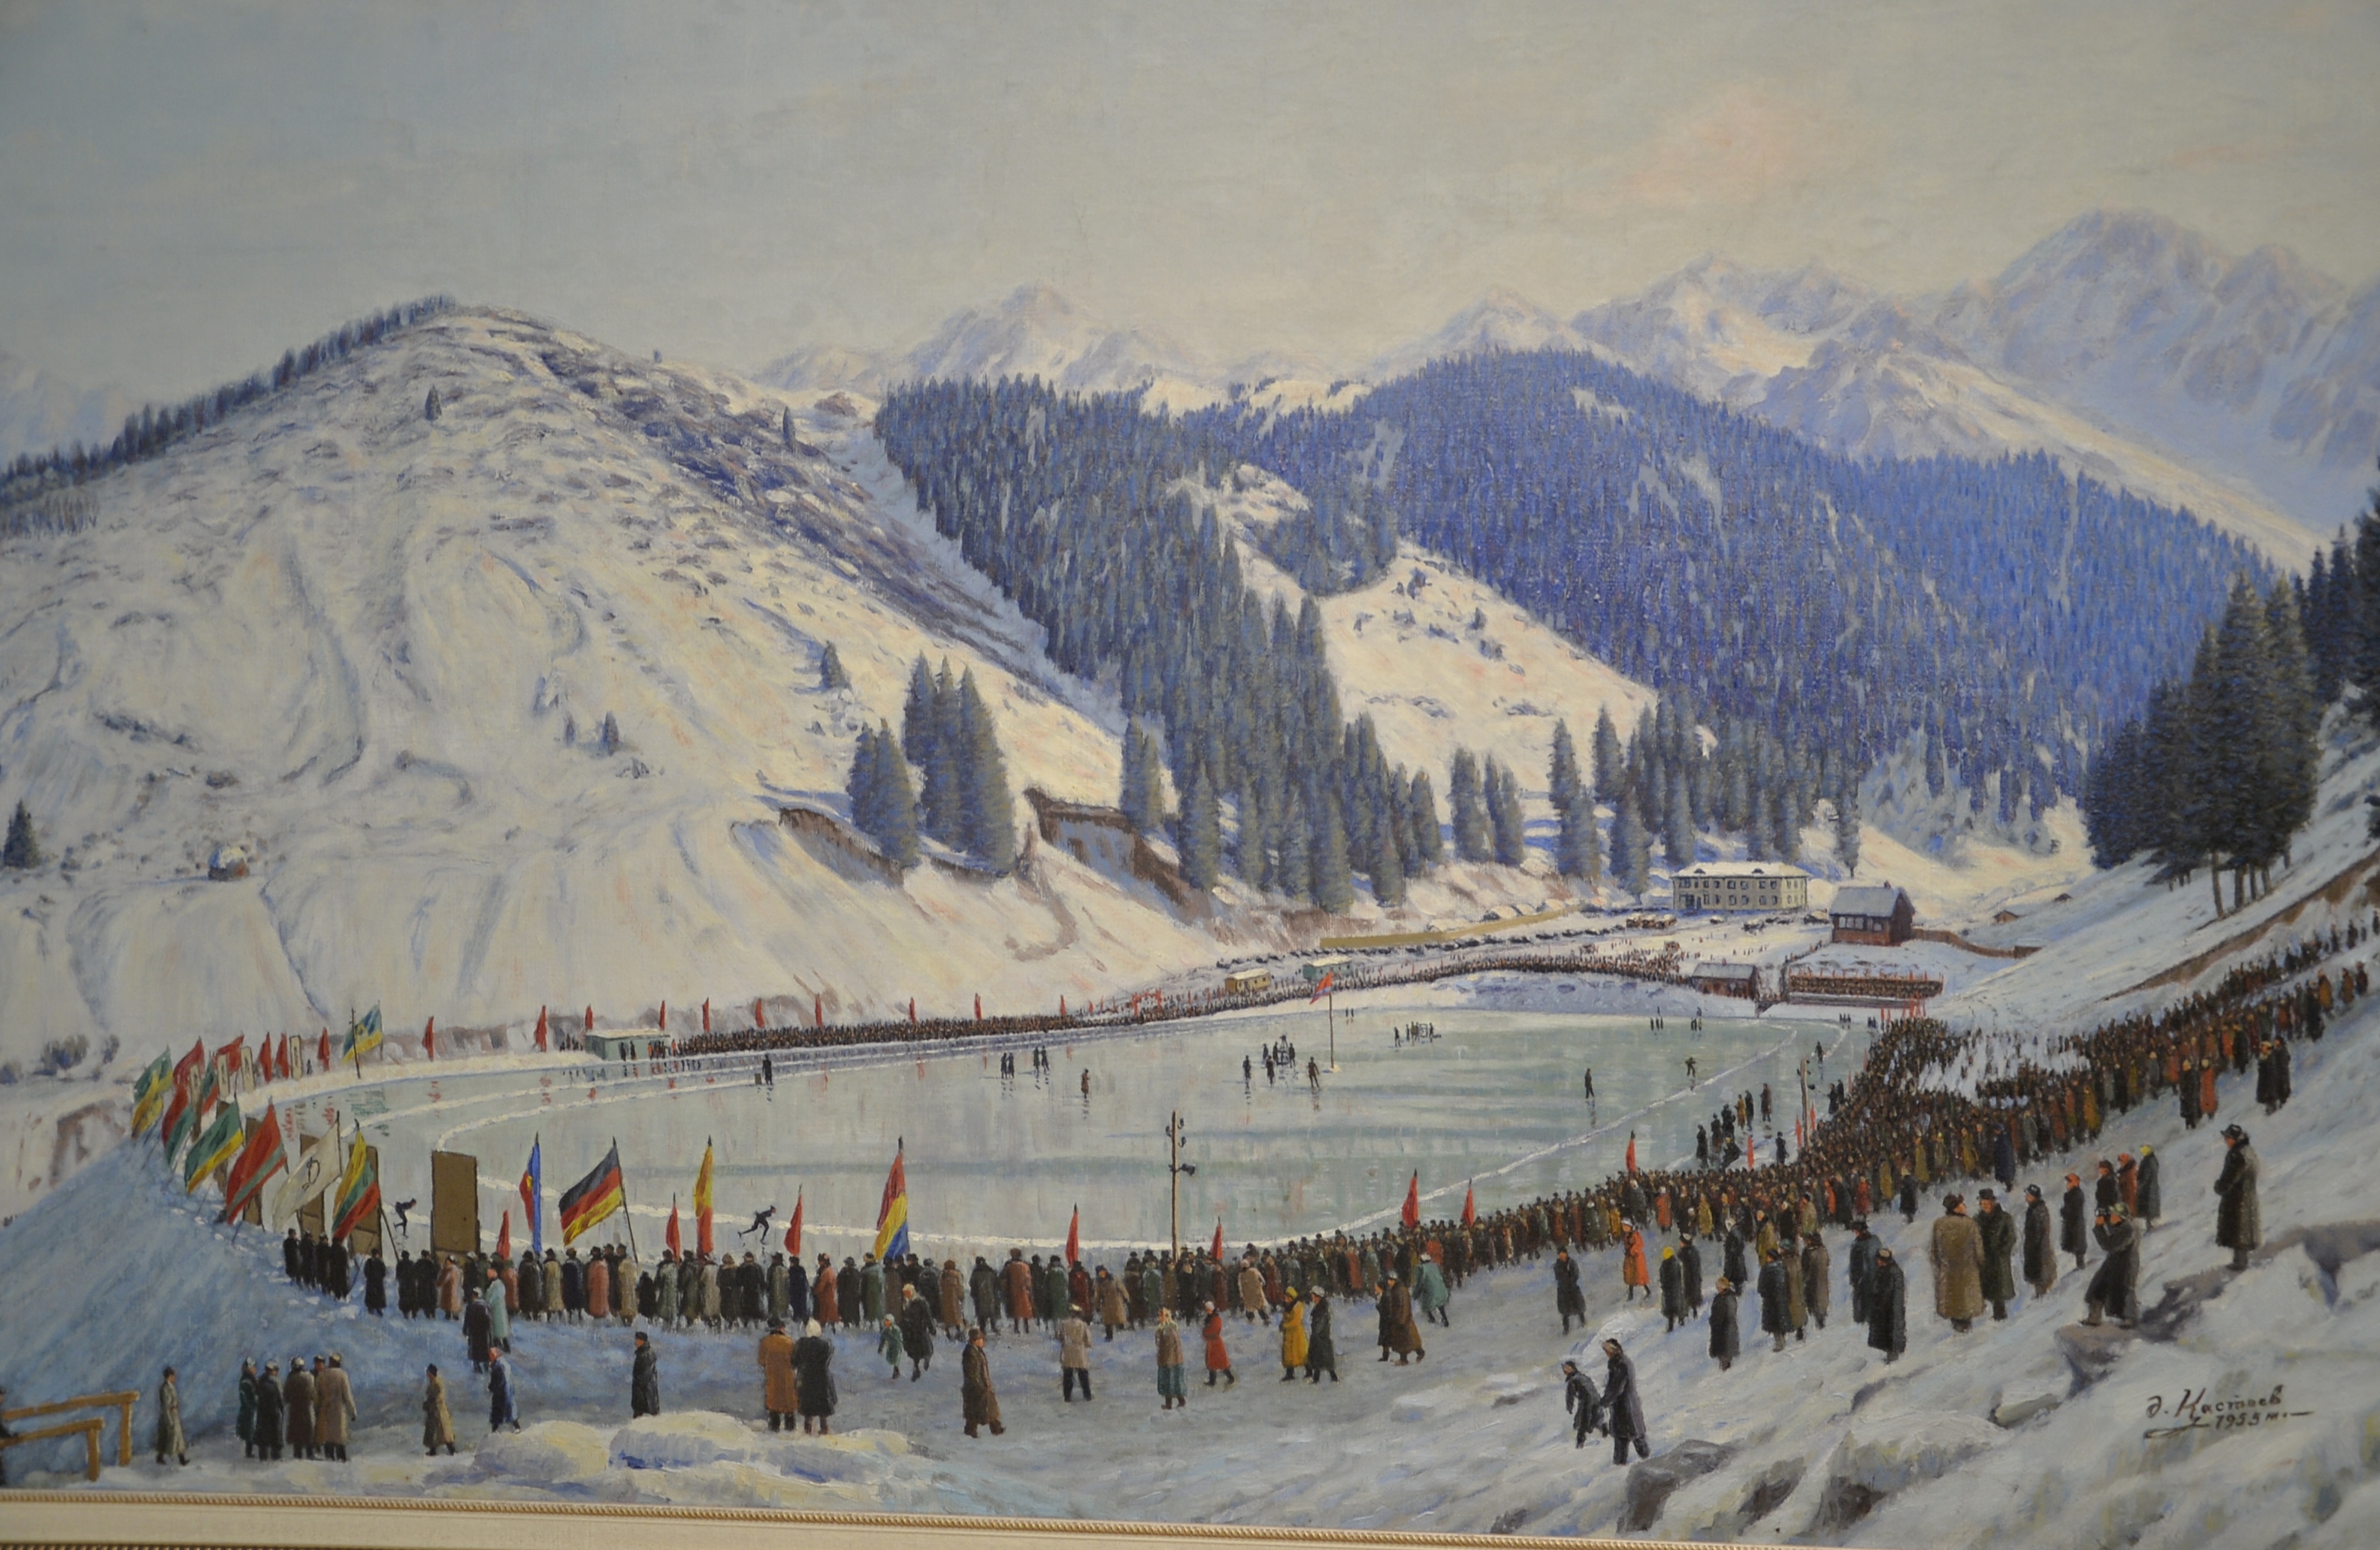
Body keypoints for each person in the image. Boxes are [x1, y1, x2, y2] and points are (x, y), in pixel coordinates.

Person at [1932, 1194, 1985, 1333]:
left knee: (1953, 1301)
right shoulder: (1970, 1224)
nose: (1964, 1206)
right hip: (1968, 1270)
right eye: (1961, 1204)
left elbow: (1935, 1251)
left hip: (1949, 1271)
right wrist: (1981, 1262)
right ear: (1955, 1207)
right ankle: (1966, 1328)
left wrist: (1940, 1266)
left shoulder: (1939, 1224)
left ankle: (1956, 1326)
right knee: (1966, 1301)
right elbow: (1978, 1248)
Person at [2083, 1206, 2140, 1327]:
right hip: (2114, 1263)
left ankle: (2130, 1319)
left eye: (2114, 1215)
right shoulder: (2122, 1226)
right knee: (2098, 1287)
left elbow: (2110, 1245)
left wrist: (2099, 1228)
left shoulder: (2128, 1229)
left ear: (2121, 1217)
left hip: (2125, 1266)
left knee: (2125, 1291)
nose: (2111, 1217)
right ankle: (2094, 1317)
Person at [2215, 1123, 2261, 1271]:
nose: (2225, 1141)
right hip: (2247, 1197)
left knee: (2238, 1230)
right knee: (2243, 1230)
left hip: (2237, 1198)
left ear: (2234, 1139)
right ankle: (2240, 1260)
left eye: (2227, 1138)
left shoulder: (2237, 1155)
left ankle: (2240, 1263)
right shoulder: (2248, 1151)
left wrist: (2219, 1186)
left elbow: (2230, 1177)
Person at [1601, 1339, 1649, 1464]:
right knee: (1633, 1438)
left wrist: (1604, 1401)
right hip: (1626, 1407)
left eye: (1608, 1350)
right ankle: (1622, 1467)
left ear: (1614, 1350)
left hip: (1626, 1408)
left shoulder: (1621, 1364)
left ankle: (1644, 1462)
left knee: (1629, 1439)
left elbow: (1617, 1388)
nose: (1607, 1353)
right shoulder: (1620, 1363)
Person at [1976, 1189, 2018, 1321]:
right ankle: (1993, 1315)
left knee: (1999, 1290)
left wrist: (2003, 1252)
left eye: (1986, 1203)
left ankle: (2001, 1316)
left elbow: (2011, 1237)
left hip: (1999, 1260)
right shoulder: (1977, 1219)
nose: (1984, 1206)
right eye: (1982, 1203)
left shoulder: (2004, 1218)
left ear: (1993, 1202)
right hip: (1985, 1260)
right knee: (1988, 1289)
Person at [794, 1319, 837, 1435]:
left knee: (808, 1405)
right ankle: (824, 1429)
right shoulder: (826, 1344)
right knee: (822, 1404)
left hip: (806, 1377)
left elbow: (795, 1361)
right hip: (822, 1377)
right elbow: (828, 1359)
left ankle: (807, 1429)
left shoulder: (801, 1345)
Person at [1866, 1245, 1908, 1363]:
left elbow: (1895, 1293)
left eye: (1879, 1260)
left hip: (1891, 1308)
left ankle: (1893, 1354)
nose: (1877, 1262)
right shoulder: (1882, 1271)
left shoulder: (1894, 1272)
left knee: (1892, 1331)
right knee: (1885, 1332)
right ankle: (1889, 1353)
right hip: (1883, 1308)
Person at [961, 1327, 1004, 1438]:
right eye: (981, 1339)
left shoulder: (977, 1351)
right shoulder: (971, 1354)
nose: (983, 1342)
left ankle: (994, 1428)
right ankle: (992, 1428)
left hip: (980, 1386)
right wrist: (980, 1386)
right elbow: (973, 1373)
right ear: (976, 1340)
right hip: (976, 1388)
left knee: (984, 1409)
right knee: (981, 1410)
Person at [315, 1355, 355, 1462]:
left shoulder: (322, 1374)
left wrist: (317, 1410)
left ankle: (329, 1457)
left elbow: (317, 1395)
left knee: (328, 1437)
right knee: (339, 1436)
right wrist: (352, 1412)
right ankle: (341, 1458)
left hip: (325, 1410)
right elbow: (347, 1396)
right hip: (338, 1410)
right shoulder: (342, 1375)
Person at [2021, 1185, 2057, 1299]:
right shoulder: (2033, 1209)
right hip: (2034, 1245)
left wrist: (2033, 1243)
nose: (2027, 1197)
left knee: (2040, 1271)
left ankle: (2041, 1294)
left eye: (2029, 1195)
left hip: (2039, 1247)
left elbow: (2040, 1230)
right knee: (2036, 1271)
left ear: (2034, 1196)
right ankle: (2039, 1292)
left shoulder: (2039, 1210)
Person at [1561, 1359, 1603, 1448]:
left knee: (1582, 1422)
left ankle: (1580, 1443)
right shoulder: (1582, 1377)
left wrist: (1569, 1407)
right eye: (1564, 1368)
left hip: (1587, 1401)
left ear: (1572, 1368)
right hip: (1596, 1400)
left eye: (1566, 1368)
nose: (1565, 1370)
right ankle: (1604, 1435)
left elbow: (1570, 1396)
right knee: (1595, 1420)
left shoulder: (1573, 1380)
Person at [899, 1285, 937, 1380]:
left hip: (921, 1330)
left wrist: (932, 1329)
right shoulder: (906, 1302)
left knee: (926, 1349)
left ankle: (926, 1360)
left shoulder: (921, 1302)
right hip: (910, 1332)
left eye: (908, 1293)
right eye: (905, 1293)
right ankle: (916, 1370)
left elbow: (928, 1316)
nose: (906, 1295)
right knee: (914, 1353)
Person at [1757, 1248, 1792, 1352]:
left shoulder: (1765, 1270)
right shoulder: (1782, 1267)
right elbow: (1787, 1283)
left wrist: (1765, 1294)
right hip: (1781, 1298)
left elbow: (1761, 1287)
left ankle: (1779, 1343)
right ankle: (1782, 1338)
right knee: (1781, 1318)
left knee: (1774, 1322)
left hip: (1770, 1301)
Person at [285, 1354, 317, 1461]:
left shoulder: (290, 1379)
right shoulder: (310, 1377)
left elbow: (286, 1396)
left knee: (297, 1436)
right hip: (307, 1409)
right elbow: (313, 1395)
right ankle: (310, 1455)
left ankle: (298, 1457)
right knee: (308, 1434)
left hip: (295, 1411)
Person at [1155, 1307, 1189, 1410]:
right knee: (1173, 1382)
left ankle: (1172, 1403)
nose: (1159, 1318)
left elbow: (1170, 1348)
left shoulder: (1168, 1330)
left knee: (1170, 1382)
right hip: (1170, 1360)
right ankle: (1178, 1401)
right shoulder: (1165, 1329)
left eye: (1161, 1316)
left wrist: (1168, 1360)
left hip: (1170, 1361)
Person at [154, 1366, 188, 1467]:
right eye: (173, 1376)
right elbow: (166, 1406)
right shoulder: (165, 1388)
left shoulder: (171, 1387)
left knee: (177, 1438)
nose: (175, 1378)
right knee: (167, 1437)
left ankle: (182, 1459)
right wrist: (169, 1420)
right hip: (168, 1416)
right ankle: (160, 1457)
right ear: (169, 1376)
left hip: (174, 1415)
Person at [1059, 1304, 1094, 1400]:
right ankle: (1087, 1396)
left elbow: (1060, 1336)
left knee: (1067, 1376)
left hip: (1068, 1352)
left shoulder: (1064, 1324)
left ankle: (1067, 1397)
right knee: (1083, 1376)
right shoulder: (1083, 1325)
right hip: (1080, 1352)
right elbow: (1088, 1341)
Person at [1304, 1289, 1339, 1383]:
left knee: (1324, 1358)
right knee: (1318, 1359)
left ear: (1319, 1297)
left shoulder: (1323, 1309)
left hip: (1322, 1338)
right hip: (1318, 1338)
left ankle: (1333, 1377)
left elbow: (1322, 1323)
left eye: (1314, 1297)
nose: (1313, 1299)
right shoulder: (1318, 1308)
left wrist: (1317, 1331)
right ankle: (1317, 1378)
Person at [1847, 1219, 1878, 1324]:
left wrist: (1857, 1279)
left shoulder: (1863, 1244)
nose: (1855, 1233)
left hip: (1867, 1279)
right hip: (1865, 1279)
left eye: (1856, 1231)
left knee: (1866, 1303)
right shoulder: (1870, 1241)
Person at [421, 1365, 456, 1457]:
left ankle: (452, 1450)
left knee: (443, 1432)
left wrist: (429, 1404)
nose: (427, 1375)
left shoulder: (437, 1383)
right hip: (433, 1411)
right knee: (434, 1432)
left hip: (438, 1411)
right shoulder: (432, 1383)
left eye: (428, 1373)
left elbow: (438, 1398)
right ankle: (433, 1451)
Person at [252, 1363, 285, 1461]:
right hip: (273, 1412)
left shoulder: (260, 1382)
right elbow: (280, 1398)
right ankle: (276, 1456)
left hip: (263, 1412)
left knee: (264, 1436)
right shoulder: (276, 1383)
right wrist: (282, 1409)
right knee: (275, 1435)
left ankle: (263, 1456)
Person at [1708, 1276, 1741, 1371]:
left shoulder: (1727, 1298)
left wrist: (1716, 1321)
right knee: (1723, 1351)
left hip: (1725, 1329)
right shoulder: (1722, 1297)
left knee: (1725, 1351)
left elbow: (1727, 1314)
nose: (1718, 1288)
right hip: (1722, 1329)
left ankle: (1726, 1369)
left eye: (1719, 1286)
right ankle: (1724, 1367)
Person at [1801, 1232, 1832, 1331]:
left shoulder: (1809, 1253)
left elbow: (1805, 1269)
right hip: (1822, 1281)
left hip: (1812, 1282)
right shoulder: (1823, 1251)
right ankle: (1821, 1319)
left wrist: (1805, 1279)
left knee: (1814, 1300)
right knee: (1820, 1300)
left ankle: (1819, 1321)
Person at [1552, 1249, 1586, 1333]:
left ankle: (1583, 1322)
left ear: (1566, 1254)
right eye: (1560, 1255)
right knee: (1565, 1311)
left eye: (1563, 1255)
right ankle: (1566, 1329)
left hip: (1573, 1289)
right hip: (1563, 1291)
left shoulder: (1571, 1263)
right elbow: (1558, 1277)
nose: (1562, 1257)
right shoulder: (1557, 1265)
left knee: (1578, 1307)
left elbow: (1575, 1274)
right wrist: (1564, 1283)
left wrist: (1570, 1282)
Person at [1203, 1301, 1236, 1386]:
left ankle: (1230, 1378)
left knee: (1222, 1363)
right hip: (1212, 1343)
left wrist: (1206, 1332)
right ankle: (1212, 1381)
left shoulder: (1217, 1319)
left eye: (1208, 1310)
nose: (1207, 1311)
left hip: (1217, 1344)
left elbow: (1214, 1330)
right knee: (1212, 1364)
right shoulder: (1210, 1319)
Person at [2062, 1174, 2090, 1271]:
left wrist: (2064, 1212)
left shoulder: (2077, 1194)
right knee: (2074, 1244)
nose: (2067, 1184)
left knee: (2078, 1245)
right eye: (2068, 1182)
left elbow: (2073, 1210)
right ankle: (2079, 1265)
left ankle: (2081, 1266)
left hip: (2076, 1223)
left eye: (2070, 1182)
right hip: (2071, 1223)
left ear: (2076, 1183)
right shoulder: (2068, 1195)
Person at [487, 1348, 518, 1433]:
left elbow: (495, 1381)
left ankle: (494, 1430)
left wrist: (491, 1388)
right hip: (508, 1390)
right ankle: (517, 1427)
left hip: (500, 1392)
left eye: (491, 1356)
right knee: (510, 1409)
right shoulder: (505, 1364)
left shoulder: (496, 1367)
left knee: (497, 1411)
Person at [463, 1287, 492, 1374]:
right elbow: (490, 1320)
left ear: (474, 1296)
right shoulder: (486, 1306)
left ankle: (477, 1367)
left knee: (475, 1351)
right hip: (484, 1333)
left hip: (474, 1333)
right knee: (485, 1349)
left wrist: (465, 1331)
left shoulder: (470, 1306)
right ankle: (486, 1366)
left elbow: (467, 1320)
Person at [632, 1331, 661, 1418]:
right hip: (642, 1389)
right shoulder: (642, 1352)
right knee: (639, 1413)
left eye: (637, 1340)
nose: (636, 1342)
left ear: (642, 1341)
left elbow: (646, 1374)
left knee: (651, 1413)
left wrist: (638, 1382)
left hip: (646, 1389)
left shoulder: (648, 1354)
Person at [1658, 1245, 1685, 1332]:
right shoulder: (1676, 1264)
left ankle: (1672, 1325)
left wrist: (1664, 1285)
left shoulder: (1664, 1265)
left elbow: (1663, 1278)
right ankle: (1681, 1320)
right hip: (1676, 1289)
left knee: (1670, 1308)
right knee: (1678, 1305)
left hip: (1669, 1290)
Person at [2136, 1144, 2163, 1228]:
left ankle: (2150, 1223)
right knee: (2150, 1205)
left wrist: (2141, 1184)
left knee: (2148, 1205)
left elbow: (2147, 1175)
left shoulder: (2147, 1161)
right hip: (2151, 1186)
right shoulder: (2152, 1160)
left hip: (2147, 1187)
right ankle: (2150, 1222)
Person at [877, 1314, 905, 1381]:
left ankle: (896, 1372)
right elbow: (882, 1341)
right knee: (889, 1359)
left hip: (897, 1346)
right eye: (885, 1321)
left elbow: (900, 1338)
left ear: (891, 1322)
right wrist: (880, 1349)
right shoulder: (885, 1331)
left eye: (887, 1321)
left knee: (896, 1358)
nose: (885, 1322)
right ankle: (896, 1370)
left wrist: (901, 1345)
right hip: (891, 1346)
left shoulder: (896, 1329)